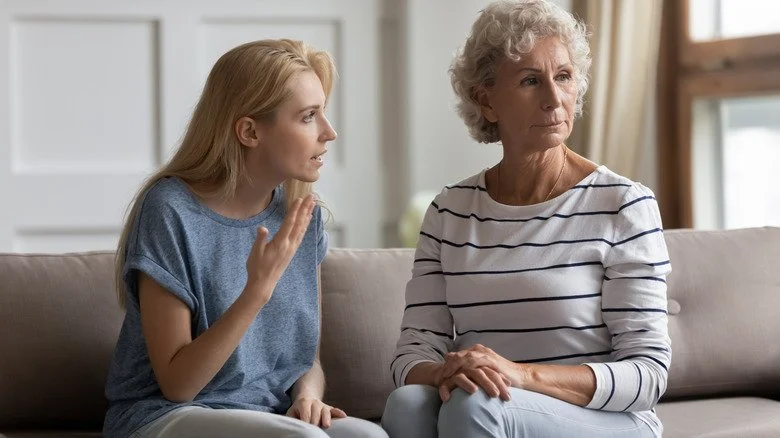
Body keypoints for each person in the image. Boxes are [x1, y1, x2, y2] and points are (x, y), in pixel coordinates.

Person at [382, 1, 671, 437]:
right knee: (408, 404)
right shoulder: (450, 211)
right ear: (487, 100)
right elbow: (411, 357)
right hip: (485, 402)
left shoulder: (623, 204)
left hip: (611, 421)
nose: (554, 99)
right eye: (530, 81)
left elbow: (648, 374)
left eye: (564, 77)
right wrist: (448, 372)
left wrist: (518, 374)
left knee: (476, 406)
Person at [103, 39, 387, 438]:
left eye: (323, 113)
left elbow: (307, 358)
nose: (330, 132)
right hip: (163, 416)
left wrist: (307, 395)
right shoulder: (169, 209)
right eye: (308, 116)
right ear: (250, 131)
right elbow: (178, 384)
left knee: (369, 437)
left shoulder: (301, 214)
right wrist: (257, 290)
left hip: (267, 417)